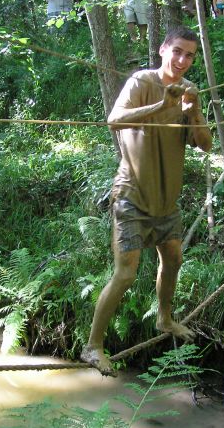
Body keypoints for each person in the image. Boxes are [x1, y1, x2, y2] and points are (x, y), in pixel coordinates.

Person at [80, 27, 213, 376]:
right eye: (178, 52)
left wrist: (194, 109)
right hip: (132, 196)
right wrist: (162, 105)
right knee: (125, 274)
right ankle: (92, 347)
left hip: (166, 201)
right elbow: (113, 120)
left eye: (190, 56)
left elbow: (204, 143)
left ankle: (164, 319)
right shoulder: (142, 81)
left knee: (173, 257)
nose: (183, 61)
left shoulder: (188, 92)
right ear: (163, 49)